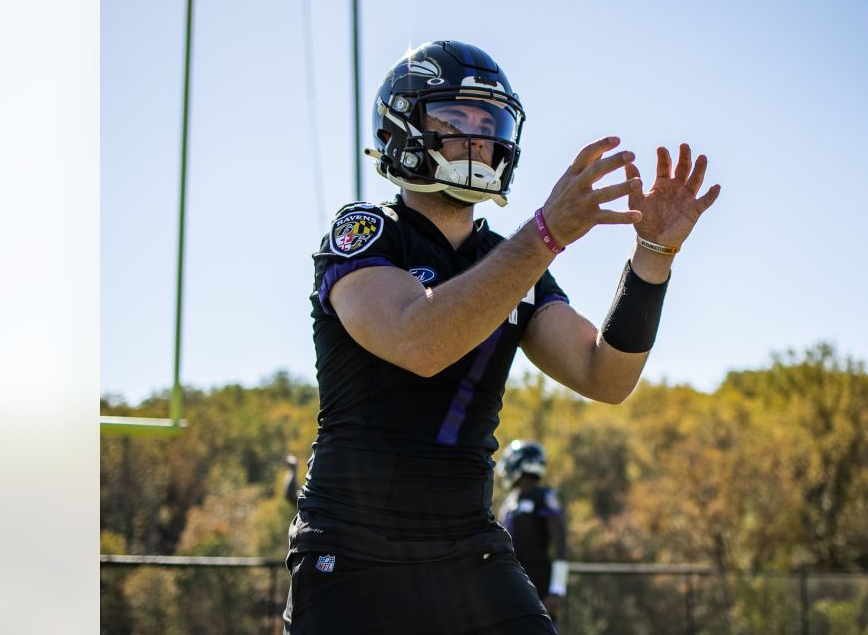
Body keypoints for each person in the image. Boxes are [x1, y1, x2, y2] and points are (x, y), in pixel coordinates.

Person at [283, 40, 720, 635]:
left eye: (489, 124)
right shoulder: (367, 232)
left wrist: (653, 258)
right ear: (401, 128)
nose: (477, 139)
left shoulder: (511, 260)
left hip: (467, 548)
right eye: (456, 118)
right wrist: (544, 235)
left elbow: (606, 375)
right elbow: (421, 344)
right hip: (355, 550)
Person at [497, 441, 569, 622]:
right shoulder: (508, 502)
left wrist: (557, 590)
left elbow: (561, 544)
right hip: (510, 589)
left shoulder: (544, 496)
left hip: (540, 590)